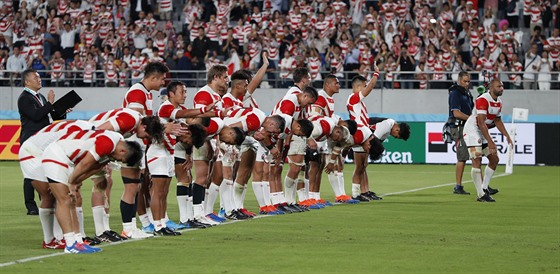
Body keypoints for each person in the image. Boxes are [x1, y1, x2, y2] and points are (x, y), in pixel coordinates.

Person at [43, 130, 143, 253]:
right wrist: (72, 182)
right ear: (123, 151)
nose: (117, 161)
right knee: (65, 199)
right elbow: (85, 164)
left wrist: (76, 182)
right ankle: (70, 244)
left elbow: (94, 168)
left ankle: (78, 241)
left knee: (72, 200)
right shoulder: (108, 143)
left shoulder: (113, 147)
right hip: (57, 154)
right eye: (120, 159)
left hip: (68, 159)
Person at [18, 69, 69, 215]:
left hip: (43, 140)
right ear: (27, 82)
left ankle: (44, 201)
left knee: (45, 171)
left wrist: (63, 111)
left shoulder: (38, 96)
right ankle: (31, 206)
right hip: (31, 141)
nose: (39, 79)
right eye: (35, 77)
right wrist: (49, 103)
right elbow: (36, 115)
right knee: (31, 174)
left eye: (39, 77)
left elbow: (48, 115)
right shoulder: (24, 98)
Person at [463, 79, 512, 202]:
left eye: (502, 86)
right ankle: (480, 195)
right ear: (491, 88)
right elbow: (480, 122)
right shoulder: (483, 99)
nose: (501, 88)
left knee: (494, 158)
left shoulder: (499, 102)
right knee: (477, 159)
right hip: (472, 130)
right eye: (498, 86)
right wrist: (490, 141)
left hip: (481, 129)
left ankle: (484, 189)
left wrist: (507, 135)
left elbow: (497, 120)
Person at [448, 71, 474, 195]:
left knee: (476, 155)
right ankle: (458, 186)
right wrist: (472, 118)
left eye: (468, 81)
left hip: (467, 126)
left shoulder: (467, 93)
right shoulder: (455, 93)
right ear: (459, 80)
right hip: (458, 128)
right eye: (464, 81)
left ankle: (484, 185)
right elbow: (456, 113)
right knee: (462, 157)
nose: (466, 84)